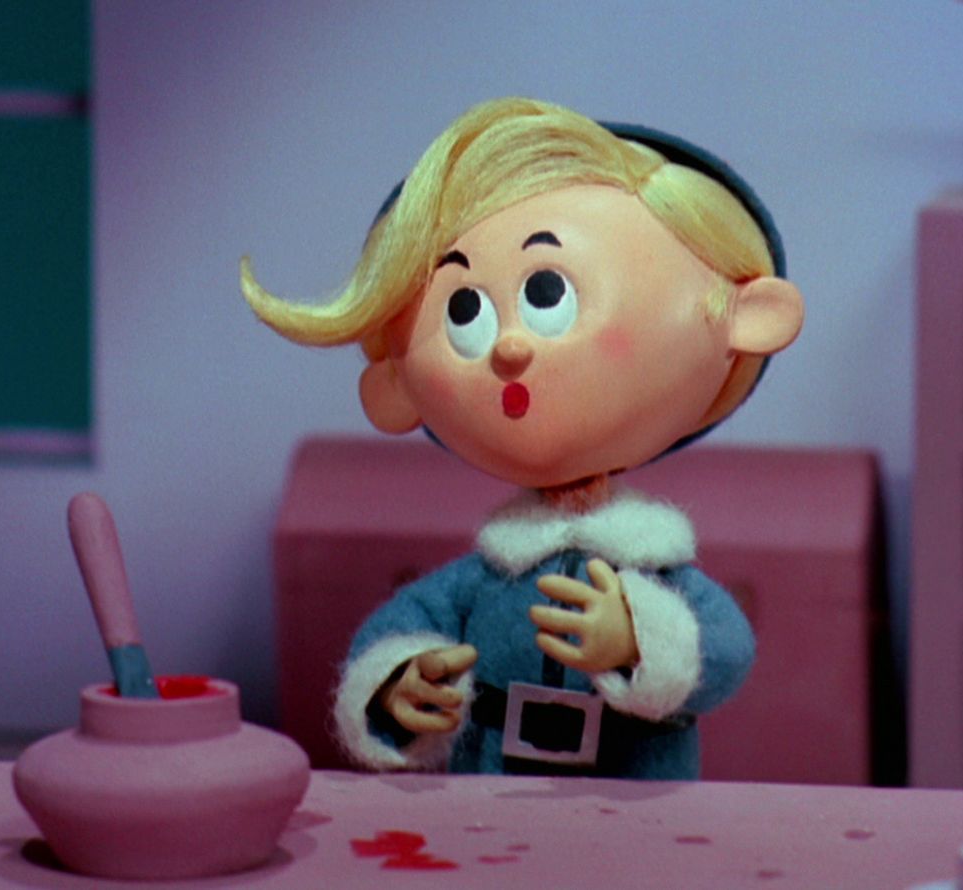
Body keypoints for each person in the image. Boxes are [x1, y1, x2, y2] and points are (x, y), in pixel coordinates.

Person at [241, 97, 803, 779]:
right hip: (493, 802)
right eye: (466, 311)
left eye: (545, 295)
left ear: (746, 318)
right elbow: (399, 629)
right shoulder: (483, 578)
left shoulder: (658, 577)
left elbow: (726, 649)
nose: (509, 348)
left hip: (637, 805)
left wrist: (639, 639)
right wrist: (400, 684)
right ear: (395, 390)